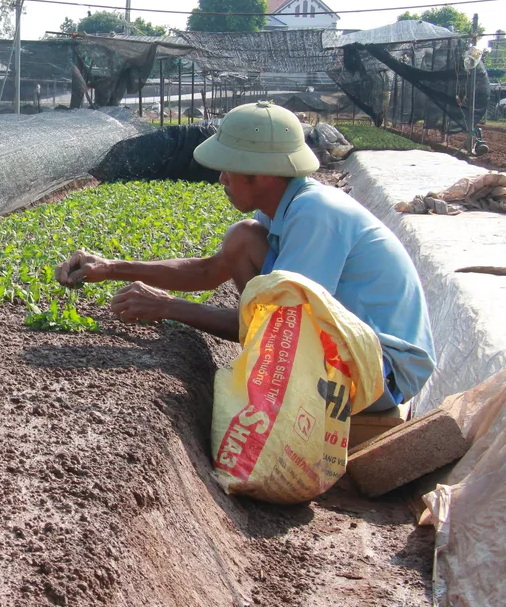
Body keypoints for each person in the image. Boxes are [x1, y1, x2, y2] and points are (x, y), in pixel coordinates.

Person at [55, 101, 435, 411]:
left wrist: (169, 307)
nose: (221, 180)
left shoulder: (316, 216)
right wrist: (111, 268)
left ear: (264, 174)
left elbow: (284, 329)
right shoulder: (279, 208)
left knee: (268, 306)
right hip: (357, 349)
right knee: (241, 239)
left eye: (229, 170)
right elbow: (211, 270)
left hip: (381, 371)